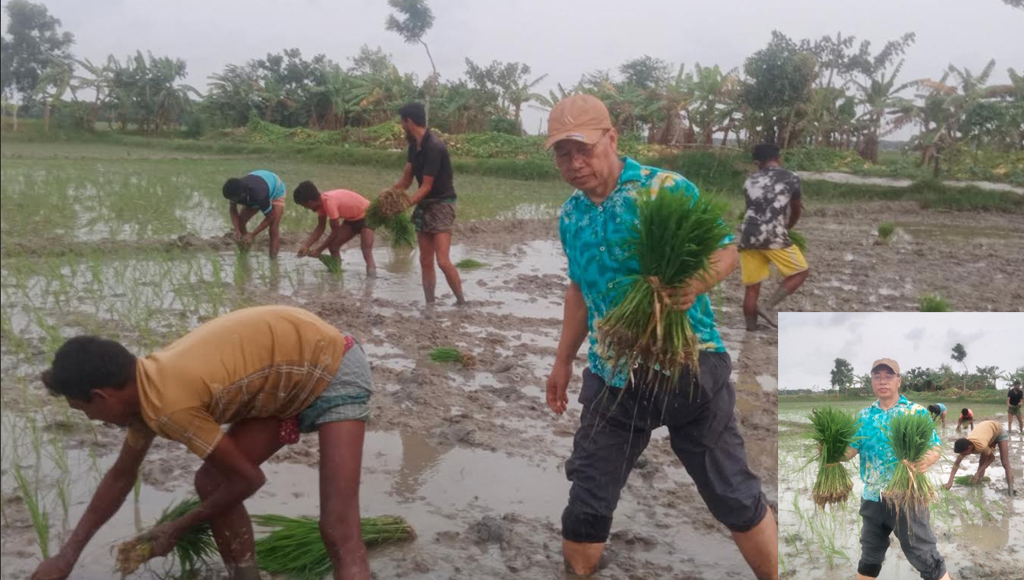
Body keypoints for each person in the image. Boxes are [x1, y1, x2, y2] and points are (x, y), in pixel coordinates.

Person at [542, 94, 777, 580]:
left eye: (584, 149)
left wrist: (692, 283)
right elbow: (579, 290)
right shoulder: (571, 215)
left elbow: (725, 250)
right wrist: (562, 361)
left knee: (733, 495)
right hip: (612, 373)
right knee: (587, 501)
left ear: (611, 138)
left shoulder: (664, 189)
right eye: (563, 153)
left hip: (689, 364)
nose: (575, 163)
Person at [31, 306, 373, 580]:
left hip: (331, 363)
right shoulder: (145, 390)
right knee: (212, 481)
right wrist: (66, 557)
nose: (91, 420)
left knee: (338, 529)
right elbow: (120, 477)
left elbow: (250, 480)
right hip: (286, 381)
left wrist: (177, 528)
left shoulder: (169, 405)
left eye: (83, 410)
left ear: (101, 397)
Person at [837, 358, 948, 580]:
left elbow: (935, 446)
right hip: (872, 497)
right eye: (877, 377)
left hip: (907, 496)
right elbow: (850, 450)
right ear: (871, 381)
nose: (882, 381)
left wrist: (925, 461)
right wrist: (831, 453)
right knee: (869, 556)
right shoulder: (864, 416)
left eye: (888, 376)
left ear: (899, 381)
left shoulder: (915, 412)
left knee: (926, 557)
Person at [390, 102, 466, 306]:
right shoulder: (414, 147)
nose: (401, 126)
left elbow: (426, 186)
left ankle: (462, 302)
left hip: (442, 205)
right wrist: (387, 197)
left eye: (402, 122)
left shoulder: (434, 147)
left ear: (409, 121)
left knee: (442, 260)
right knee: (425, 260)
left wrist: (403, 205)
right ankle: (430, 304)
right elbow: (406, 180)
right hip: (425, 205)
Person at [738, 144, 809, 331]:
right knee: (800, 272)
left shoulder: (750, 181)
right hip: (772, 233)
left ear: (757, 163)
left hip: (748, 235)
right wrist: (789, 226)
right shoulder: (791, 177)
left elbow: (754, 208)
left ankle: (750, 329)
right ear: (779, 159)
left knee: (752, 287)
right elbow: (796, 208)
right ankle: (767, 307)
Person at [293, 181, 377, 277]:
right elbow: (320, 227)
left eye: (304, 206)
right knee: (333, 246)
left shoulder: (329, 203)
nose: (306, 208)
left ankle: (371, 280)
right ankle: (336, 272)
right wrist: (305, 246)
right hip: (352, 219)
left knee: (366, 249)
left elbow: (335, 232)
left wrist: (319, 250)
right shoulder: (320, 205)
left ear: (310, 202)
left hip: (369, 215)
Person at [222, 170, 286, 259]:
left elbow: (270, 216)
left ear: (242, 195)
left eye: (234, 199)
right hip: (257, 181)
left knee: (273, 227)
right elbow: (233, 209)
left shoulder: (259, 196)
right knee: (240, 223)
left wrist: (252, 234)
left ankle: (273, 261)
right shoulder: (235, 190)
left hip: (276, 188)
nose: (233, 201)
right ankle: (244, 256)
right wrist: (236, 230)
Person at [945, 420, 1015, 496]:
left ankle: (1011, 491)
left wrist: (978, 472)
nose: (962, 454)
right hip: (987, 432)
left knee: (1005, 462)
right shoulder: (965, 446)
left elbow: (992, 458)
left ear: (969, 447)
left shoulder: (981, 446)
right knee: (981, 462)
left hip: (998, 430)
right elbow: (956, 464)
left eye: (963, 453)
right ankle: (979, 486)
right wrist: (950, 482)